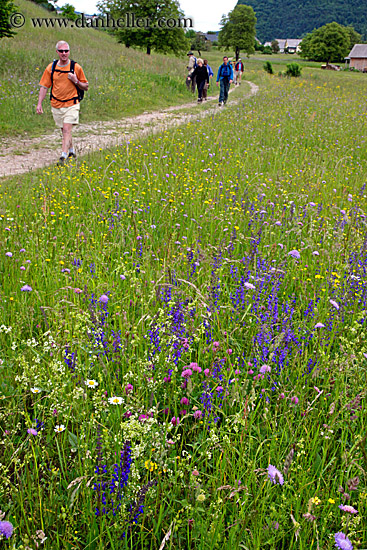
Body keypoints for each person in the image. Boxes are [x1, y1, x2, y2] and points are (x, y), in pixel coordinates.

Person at [37, 40, 88, 166]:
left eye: (66, 51)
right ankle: (71, 151)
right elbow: (44, 86)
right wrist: (39, 104)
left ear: (69, 51)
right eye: (61, 51)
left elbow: (85, 86)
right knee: (64, 130)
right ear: (57, 52)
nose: (64, 53)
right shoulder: (51, 68)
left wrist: (76, 80)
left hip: (72, 104)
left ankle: (63, 156)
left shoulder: (76, 67)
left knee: (66, 129)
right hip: (56, 104)